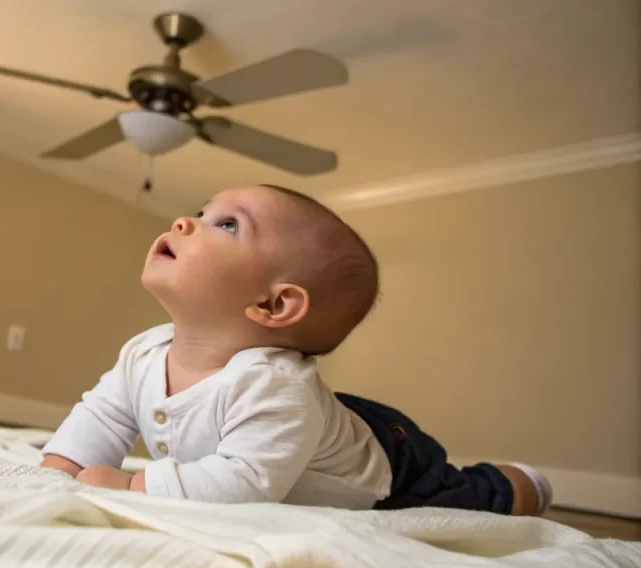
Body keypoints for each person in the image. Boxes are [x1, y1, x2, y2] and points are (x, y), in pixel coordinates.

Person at [40, 184, 552, 516]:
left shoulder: (273, 386)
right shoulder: (143, 353)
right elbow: (102, 418)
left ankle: (521, 482)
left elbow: (244, 483)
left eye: (227, 224)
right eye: (203, 212)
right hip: (315, 425)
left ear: (274, 303)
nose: (183, 222)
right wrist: (59, 469)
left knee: (469, 499)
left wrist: (134, 489)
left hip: (388, 462)